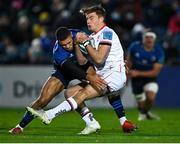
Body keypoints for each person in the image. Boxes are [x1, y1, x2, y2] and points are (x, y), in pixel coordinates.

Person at [27, 5, 137, 133]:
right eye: (86, 18)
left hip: (114, 74)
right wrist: (78, 44)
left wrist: (85, 42)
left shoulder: (107, 33)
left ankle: (49, 115)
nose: (88, 21)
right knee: (70, 93)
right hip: (105, 73)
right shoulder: (93, 36)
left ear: (101, 18)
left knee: (82, 94)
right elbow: (82, 61)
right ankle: (93, 123)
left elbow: (100, 59)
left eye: (91, 18)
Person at [9, 27, 107, 135]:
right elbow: (73, 70)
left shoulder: (80, 35)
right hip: (64, 71)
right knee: (43, 100)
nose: (68, 46)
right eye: (64, 45)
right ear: (59, 43)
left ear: (71, 36)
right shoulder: (58, 53)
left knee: (102, 84)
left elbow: (95, 51)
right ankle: (20, 126)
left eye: (69, 43)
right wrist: (90, 78)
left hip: (85, 66)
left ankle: (115, 120)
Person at [127, 31, 165, 121]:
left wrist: (138, 73)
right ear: (143, 38)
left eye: (151, 37)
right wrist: (127, 72)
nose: (149, 39)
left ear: (154, 39)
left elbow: (155, 72)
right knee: (141, 104)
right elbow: (129, 60)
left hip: (150, 78)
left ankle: (143, 114)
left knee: (151, 98)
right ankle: (145, 113)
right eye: (147, 37)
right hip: (136, 80)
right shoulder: (135, 47)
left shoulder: (159, 51)